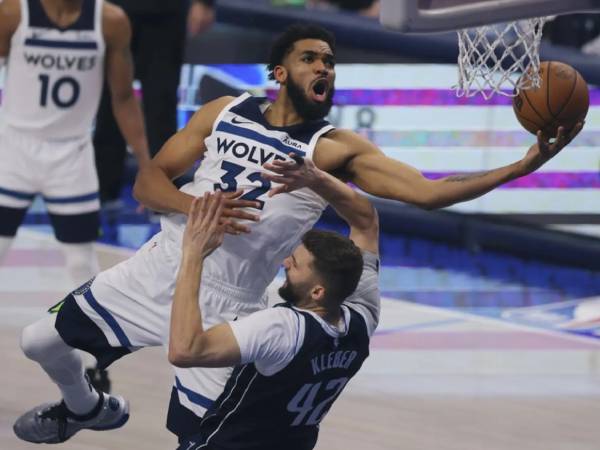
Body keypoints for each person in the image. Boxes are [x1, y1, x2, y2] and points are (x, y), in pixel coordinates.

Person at [13, 23, 582, 444]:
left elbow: (430, 192)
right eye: (311, 59)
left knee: (200, 437)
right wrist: (197, 207)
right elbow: (148, 184)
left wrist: (523, 165)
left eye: (331, 62)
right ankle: (85, 407)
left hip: (230, 302)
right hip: (159, 264)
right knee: (38, 341)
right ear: (280, 72)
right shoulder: (223, 110)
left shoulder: (334, 150)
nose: (325, 68)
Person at [168, 158, 379, 450]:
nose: (284, 263)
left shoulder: (283, 329)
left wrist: (192, 253)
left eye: (294, 265)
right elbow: (366, 223)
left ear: (317, 292)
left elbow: (185, 349)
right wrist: (315, 177)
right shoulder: (363, 319)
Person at [0, 0, 149, 283]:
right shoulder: (12, 13)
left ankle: (86, 326)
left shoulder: (110, 21)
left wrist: (145, 161)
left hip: (72, 154)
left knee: (81, 261)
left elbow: (124, 96)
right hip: (13, 148)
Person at [93, 0, 215, 205]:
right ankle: (103, 191)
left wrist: (204, 3)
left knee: (162, 105)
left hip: (165, 14)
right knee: (108, 102)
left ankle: (163, 193)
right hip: (113, 9)